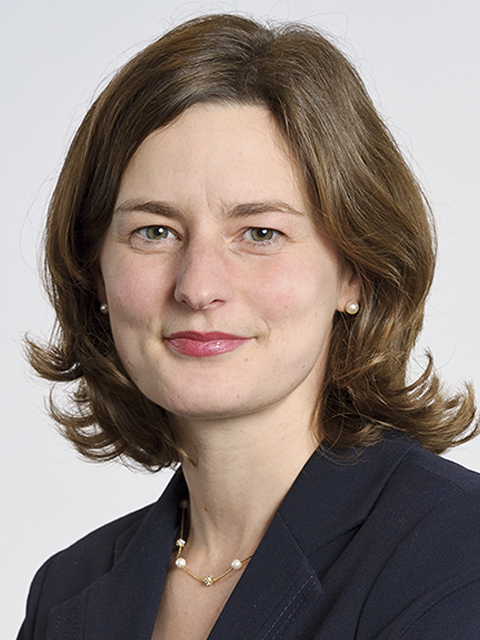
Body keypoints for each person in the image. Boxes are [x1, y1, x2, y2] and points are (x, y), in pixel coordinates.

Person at [17, 13, 480, 640]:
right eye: (155, 231)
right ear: (95, 271)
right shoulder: (65, 591)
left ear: (354, 272)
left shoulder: (458, 554)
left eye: (260, 232)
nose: (198, 286)